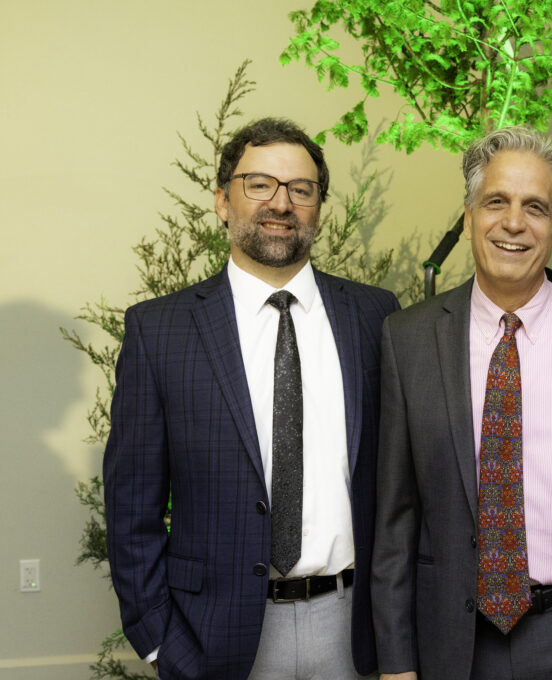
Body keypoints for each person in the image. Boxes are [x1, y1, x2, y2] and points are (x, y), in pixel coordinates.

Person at [104, 117, 399, 679]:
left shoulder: (375, 316)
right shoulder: (159, 330)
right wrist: (159, 639)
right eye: (259, 184)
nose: (280, 203)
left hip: (354, 630)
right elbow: (131, 505)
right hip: (213, 636)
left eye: (301, 189)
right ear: (222, 200)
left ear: (318, 206)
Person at [372, 127, 552, 680]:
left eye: (535, 207)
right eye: (496, 202)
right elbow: (395, 520)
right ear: (469, 217)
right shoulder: (408, 339)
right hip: (453, 645)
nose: (513, 223)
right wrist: (395, 662)